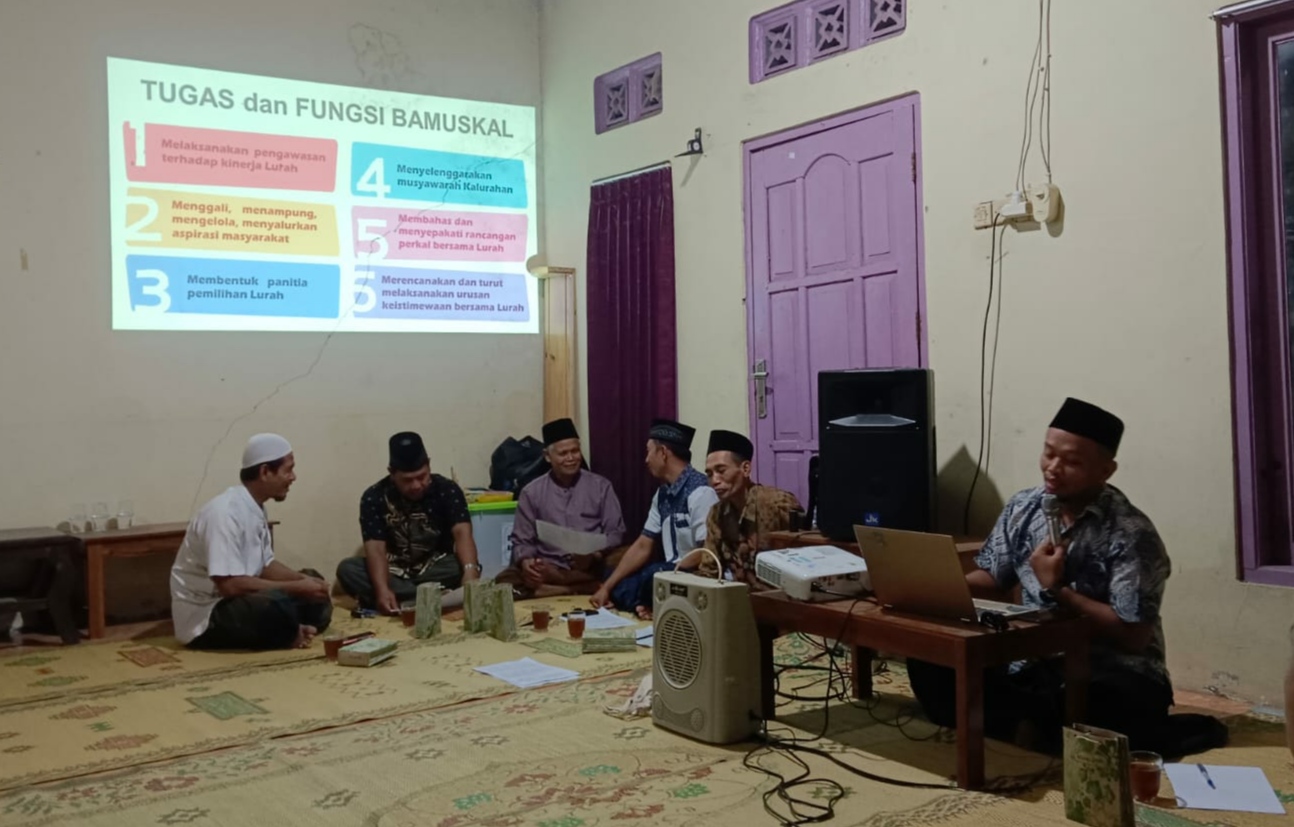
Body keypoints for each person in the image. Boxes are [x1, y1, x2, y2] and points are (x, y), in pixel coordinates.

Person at [906, 398, 1174, 752]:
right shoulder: (1024, 506)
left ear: (1106, 471)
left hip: (1111, 668)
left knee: (1114, 709)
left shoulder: (1130, 533)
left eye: (1072, 462)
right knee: (930, 655)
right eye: (1048, 453)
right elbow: (993, 578)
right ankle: (1031, 725)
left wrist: (1059, 590)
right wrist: (932, 587)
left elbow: (1133, 636)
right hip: (1034, 661)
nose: (1053, 468)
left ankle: (1021, 724)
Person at [171, 434, 332, 650]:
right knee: (276, 604)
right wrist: (294, 588)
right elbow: (230, 586)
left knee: (313, 584)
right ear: (265, 472)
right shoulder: (224, 513)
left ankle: (290, 628)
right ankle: (288, 629)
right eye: (288, 470)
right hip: (207, 613)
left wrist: (304, 581)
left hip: (243, 599)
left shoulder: (255, 507)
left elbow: (265, 565)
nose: (293, 477)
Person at [336, 431, 482, 613]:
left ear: (429, 465)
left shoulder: (447, 489)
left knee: (462, 564)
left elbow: (462, 533)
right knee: (348, 570)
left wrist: (470, 572)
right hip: (394, 571)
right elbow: (376, 549)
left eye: (421, 477)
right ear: (392, 473)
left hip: (434, 568)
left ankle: (408, 598)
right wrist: (382, 589)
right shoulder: (373, 497)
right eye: (407, 480)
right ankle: (432, 596)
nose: (416, 485)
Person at [591, 418, 719, 618]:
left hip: (692, 575)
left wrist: (668, 572)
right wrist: (606, 587)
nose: (646, 459)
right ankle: (644, 603)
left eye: (649, 451)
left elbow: (705, 552)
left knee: (652, 575)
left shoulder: (701, 491)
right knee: (613, 573)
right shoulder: (662, 494)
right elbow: (643, 545)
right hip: (668, 576)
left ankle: (644, 603)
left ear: (663, 453)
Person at [496, 418, 627, 598]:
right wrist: (528, 562)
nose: (571, 458)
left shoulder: (601, 487)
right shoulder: (531, 492)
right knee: (504, 582)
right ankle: (572, 590)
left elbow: (616, 533)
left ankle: (555, 589)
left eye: (575, 451)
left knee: (625, 561)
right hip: (549, 568)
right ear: (547, 456)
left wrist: (593, 555)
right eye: (563, 453)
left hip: (589, 567)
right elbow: (522, 540)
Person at [684, 430, 802, 588]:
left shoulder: (778, 504)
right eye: (710, 474)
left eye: (721, 471)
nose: (714, 481)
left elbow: (809, 559)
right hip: (740, 597)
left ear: (745, 469)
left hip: (784, 596)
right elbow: (709, 569)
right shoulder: (717, 514)